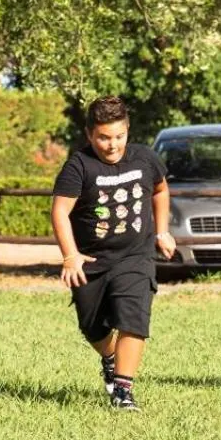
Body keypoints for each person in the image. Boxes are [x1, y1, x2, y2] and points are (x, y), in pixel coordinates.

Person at [51, 96, 175, 411]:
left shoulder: (145, 158)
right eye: (104, 137)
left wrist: (161, 231)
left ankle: (123, 390)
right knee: (92, 326)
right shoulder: (78, 165)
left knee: (133, 317)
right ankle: (109, 357)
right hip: (91, 260)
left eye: (119, 136)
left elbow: (160, 189)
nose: (112, 145)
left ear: (127, 131)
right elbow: (60, 211)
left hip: (136, 256)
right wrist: (70, 255)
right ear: (90, 134)